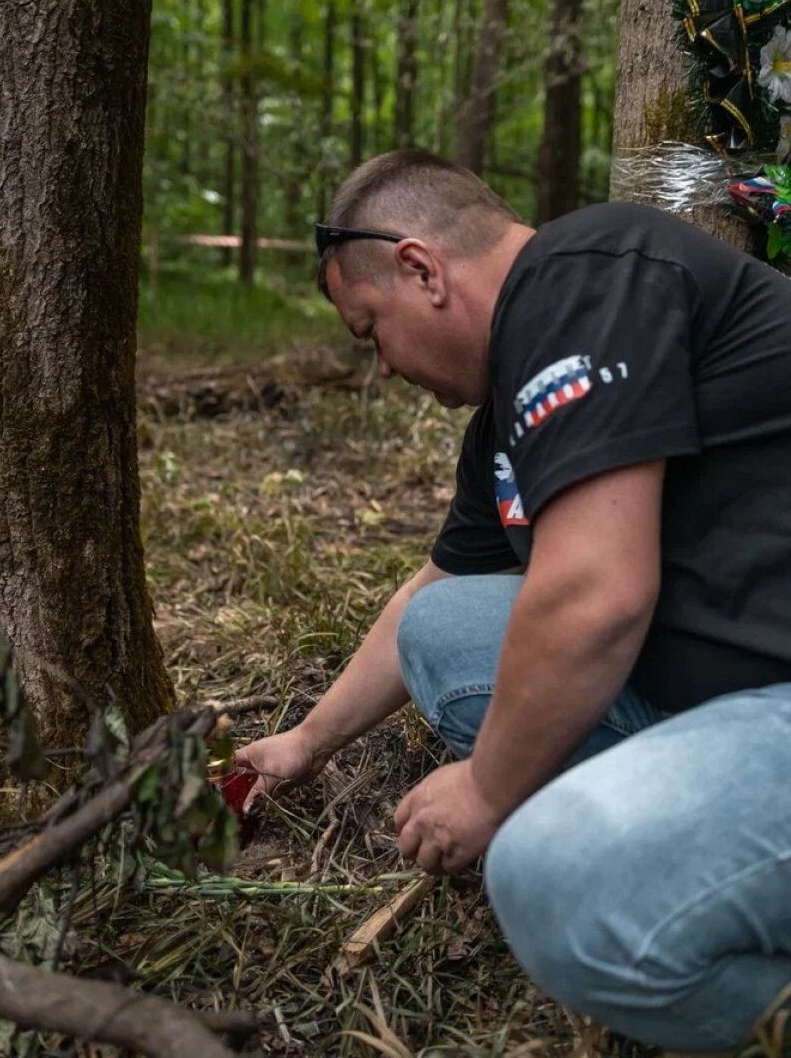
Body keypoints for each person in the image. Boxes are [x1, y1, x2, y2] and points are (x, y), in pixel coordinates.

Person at [235, 149, 791, 1051]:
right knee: (442, 630)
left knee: (549, 882)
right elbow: (442, 583)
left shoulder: (587, 273)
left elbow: (597, 592)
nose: (379, 367)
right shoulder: (506, 411)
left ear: (421, 268)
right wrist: (306, 742)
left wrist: (490, 789)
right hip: (728, 690)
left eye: (370, 330)